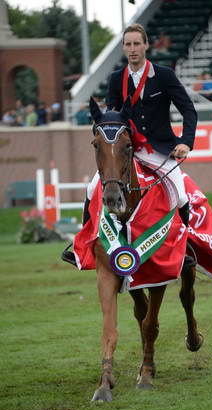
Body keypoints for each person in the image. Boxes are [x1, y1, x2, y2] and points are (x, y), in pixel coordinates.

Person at [62, 23, 197, 267]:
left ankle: (185, 248)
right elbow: (111, 116)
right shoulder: (116, 79)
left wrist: (186, 142)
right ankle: (83, 246)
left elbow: (188, 109)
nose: (132, 49)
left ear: (146, 45)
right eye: (128, 44)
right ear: (123, 48)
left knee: (180, 195)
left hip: (159, 150)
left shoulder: (164, 75)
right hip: (126, 150)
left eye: (137, 43)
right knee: (92, 190)